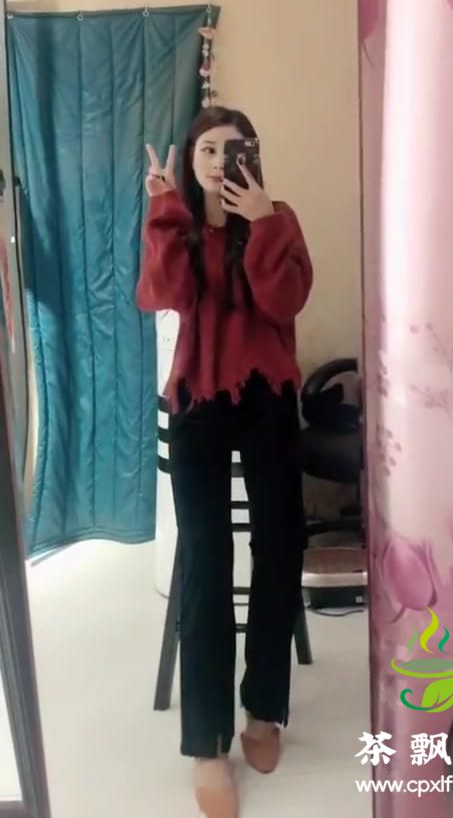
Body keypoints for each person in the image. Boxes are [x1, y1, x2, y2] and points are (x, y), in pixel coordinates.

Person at [136, 106, 313, 818]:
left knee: (281, 543)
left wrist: (263, 222)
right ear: (190, 159)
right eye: (206, 149)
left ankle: (264, 709)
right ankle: (208, 744)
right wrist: (163, 212)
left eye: (231, 149)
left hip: (268, 396)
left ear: (252, 155)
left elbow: (285, 300)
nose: (217, 161)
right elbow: (163, 294)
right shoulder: (178, 225)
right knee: (206, 560)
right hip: (199, 402)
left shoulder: (279, 217)